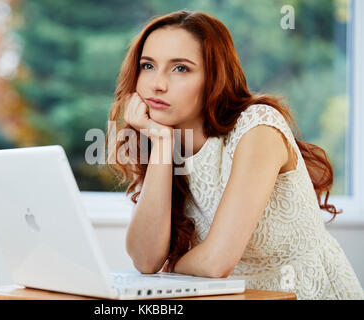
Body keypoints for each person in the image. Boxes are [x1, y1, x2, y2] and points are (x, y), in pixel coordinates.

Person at [104, 9, 364, 299]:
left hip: (303, 293)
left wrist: (171, 266)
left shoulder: (257, 127)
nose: (157, 84)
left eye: (181, 68)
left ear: (214, 77)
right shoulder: (164, 140)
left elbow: (216, 262)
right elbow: (144, 259)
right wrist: (162, 145)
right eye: (148, 65)